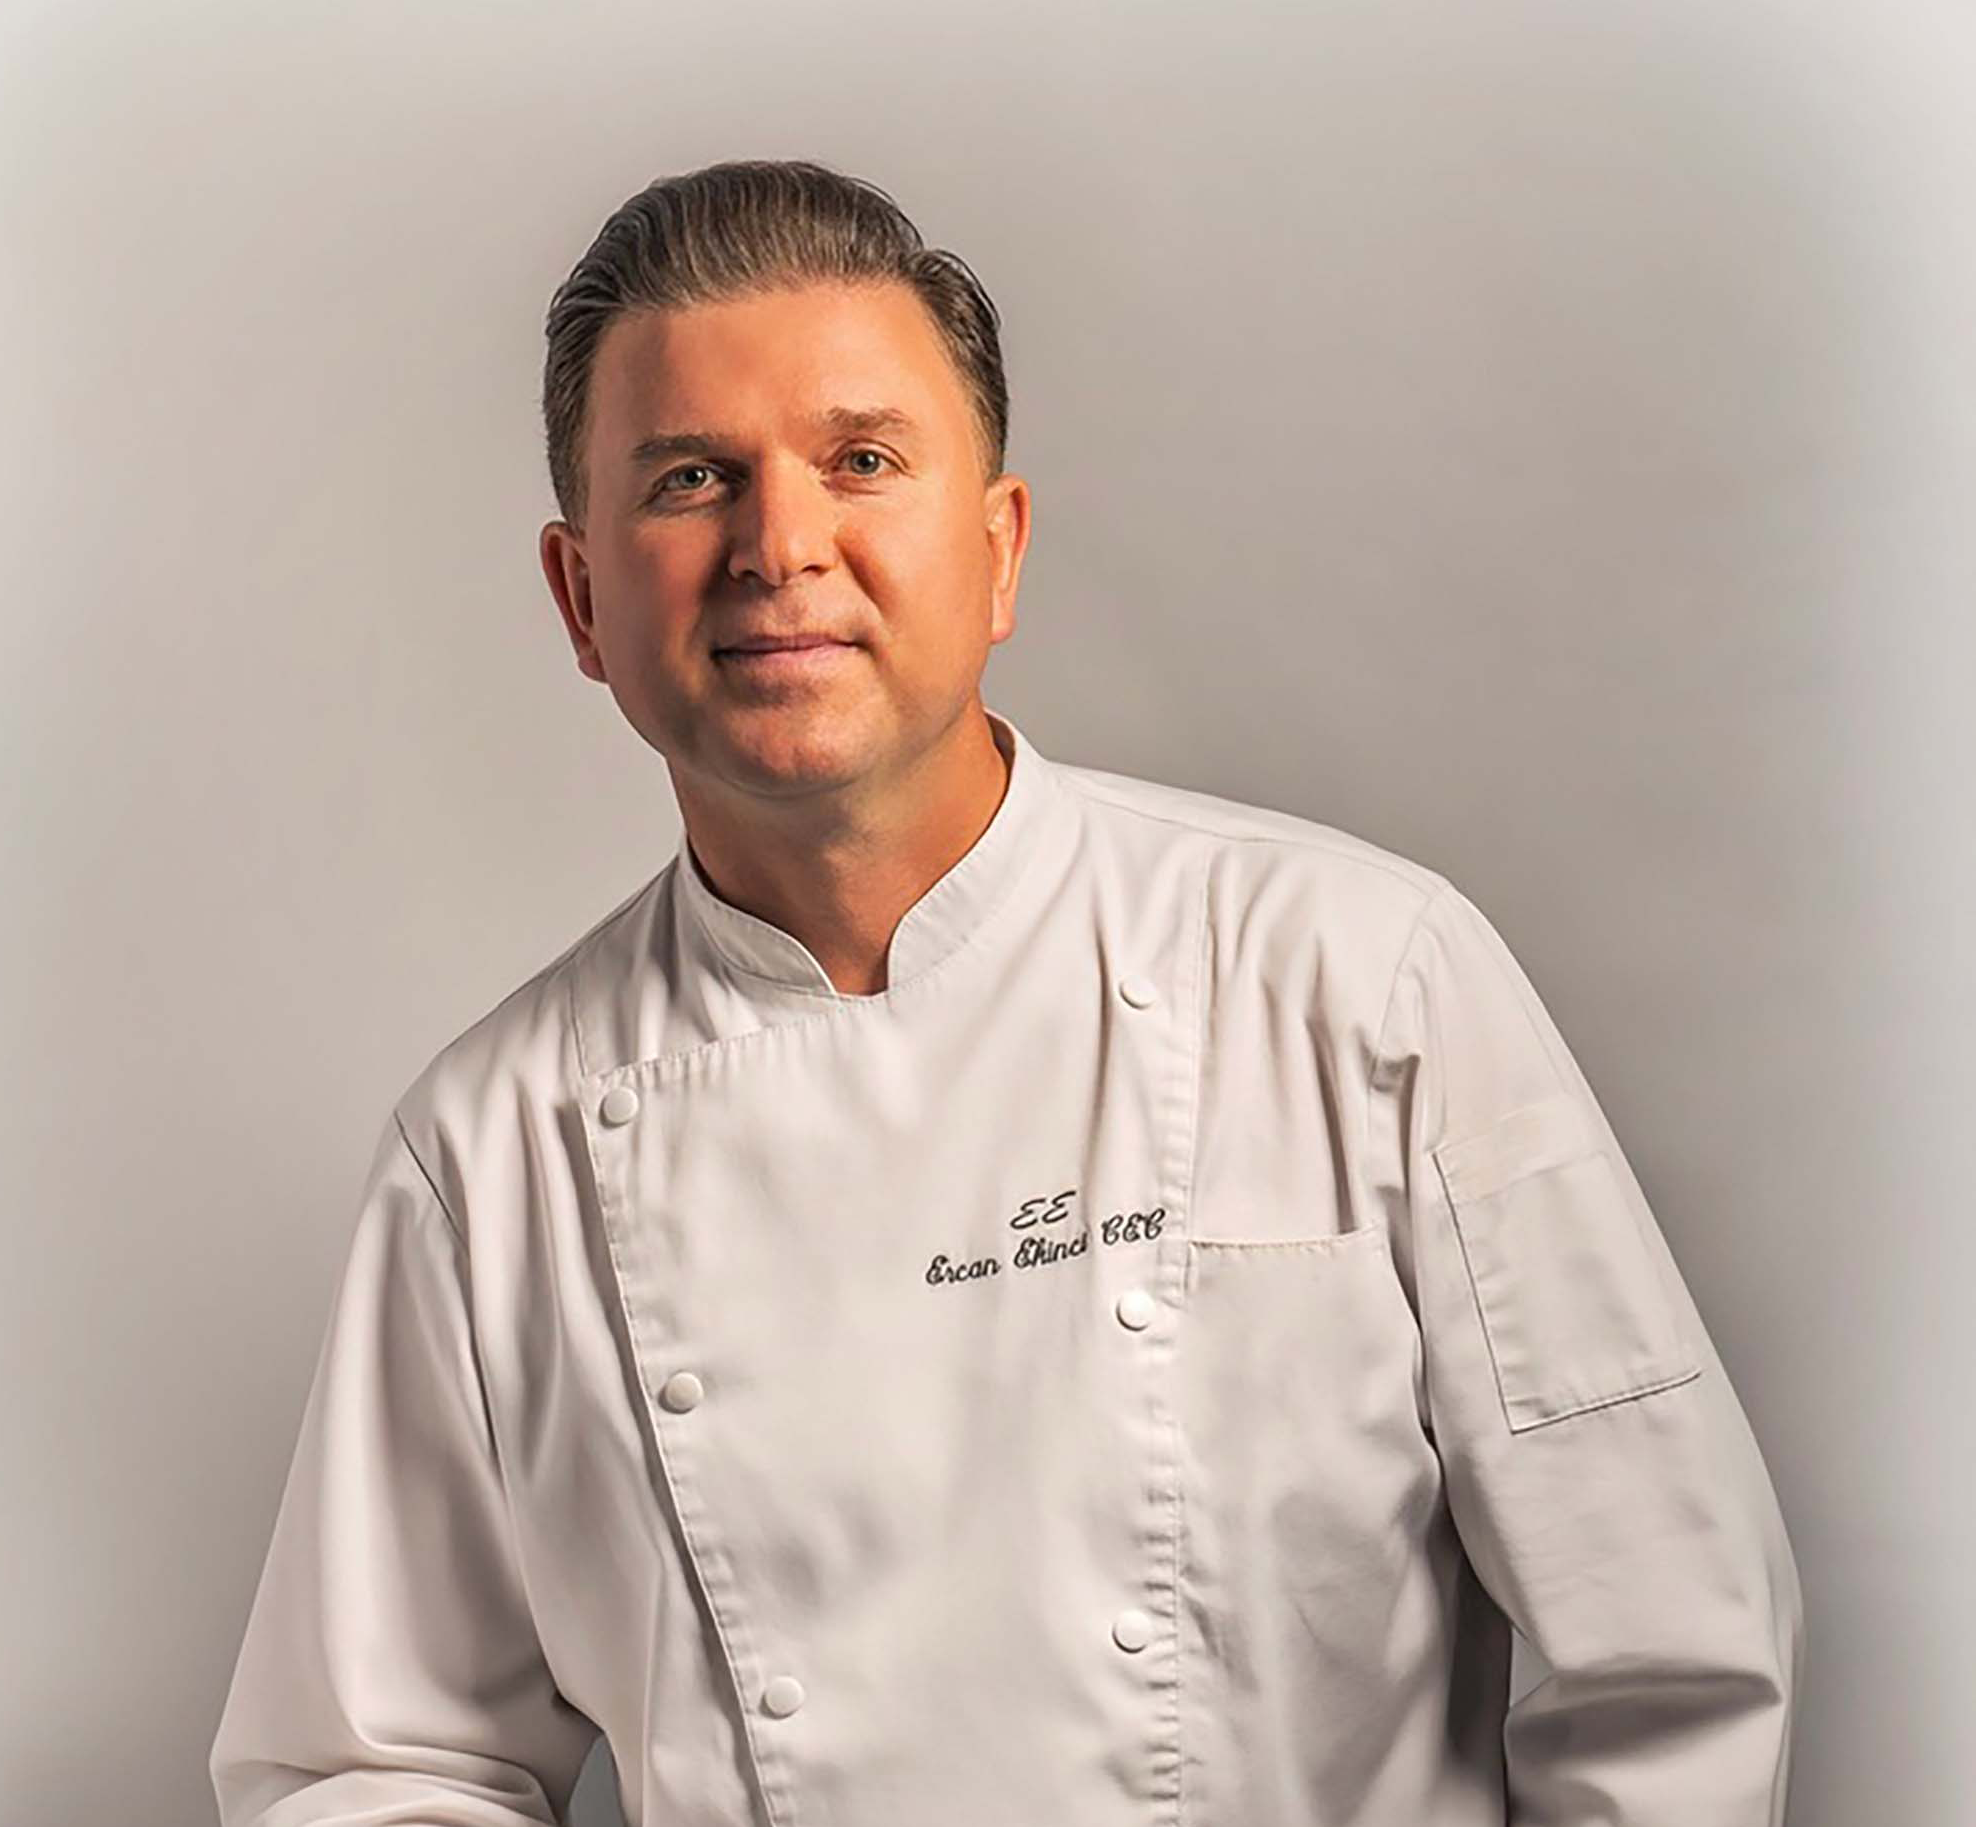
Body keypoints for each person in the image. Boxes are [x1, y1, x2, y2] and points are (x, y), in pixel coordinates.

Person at [209, 158, 1804, 1827]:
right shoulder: (486, 1158)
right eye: (691, 478)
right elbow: (373, 1765)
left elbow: (1674, 1659)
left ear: (998, 552)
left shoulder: (1362, 982)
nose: (780, 545)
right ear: (583, 597)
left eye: (861, 461)